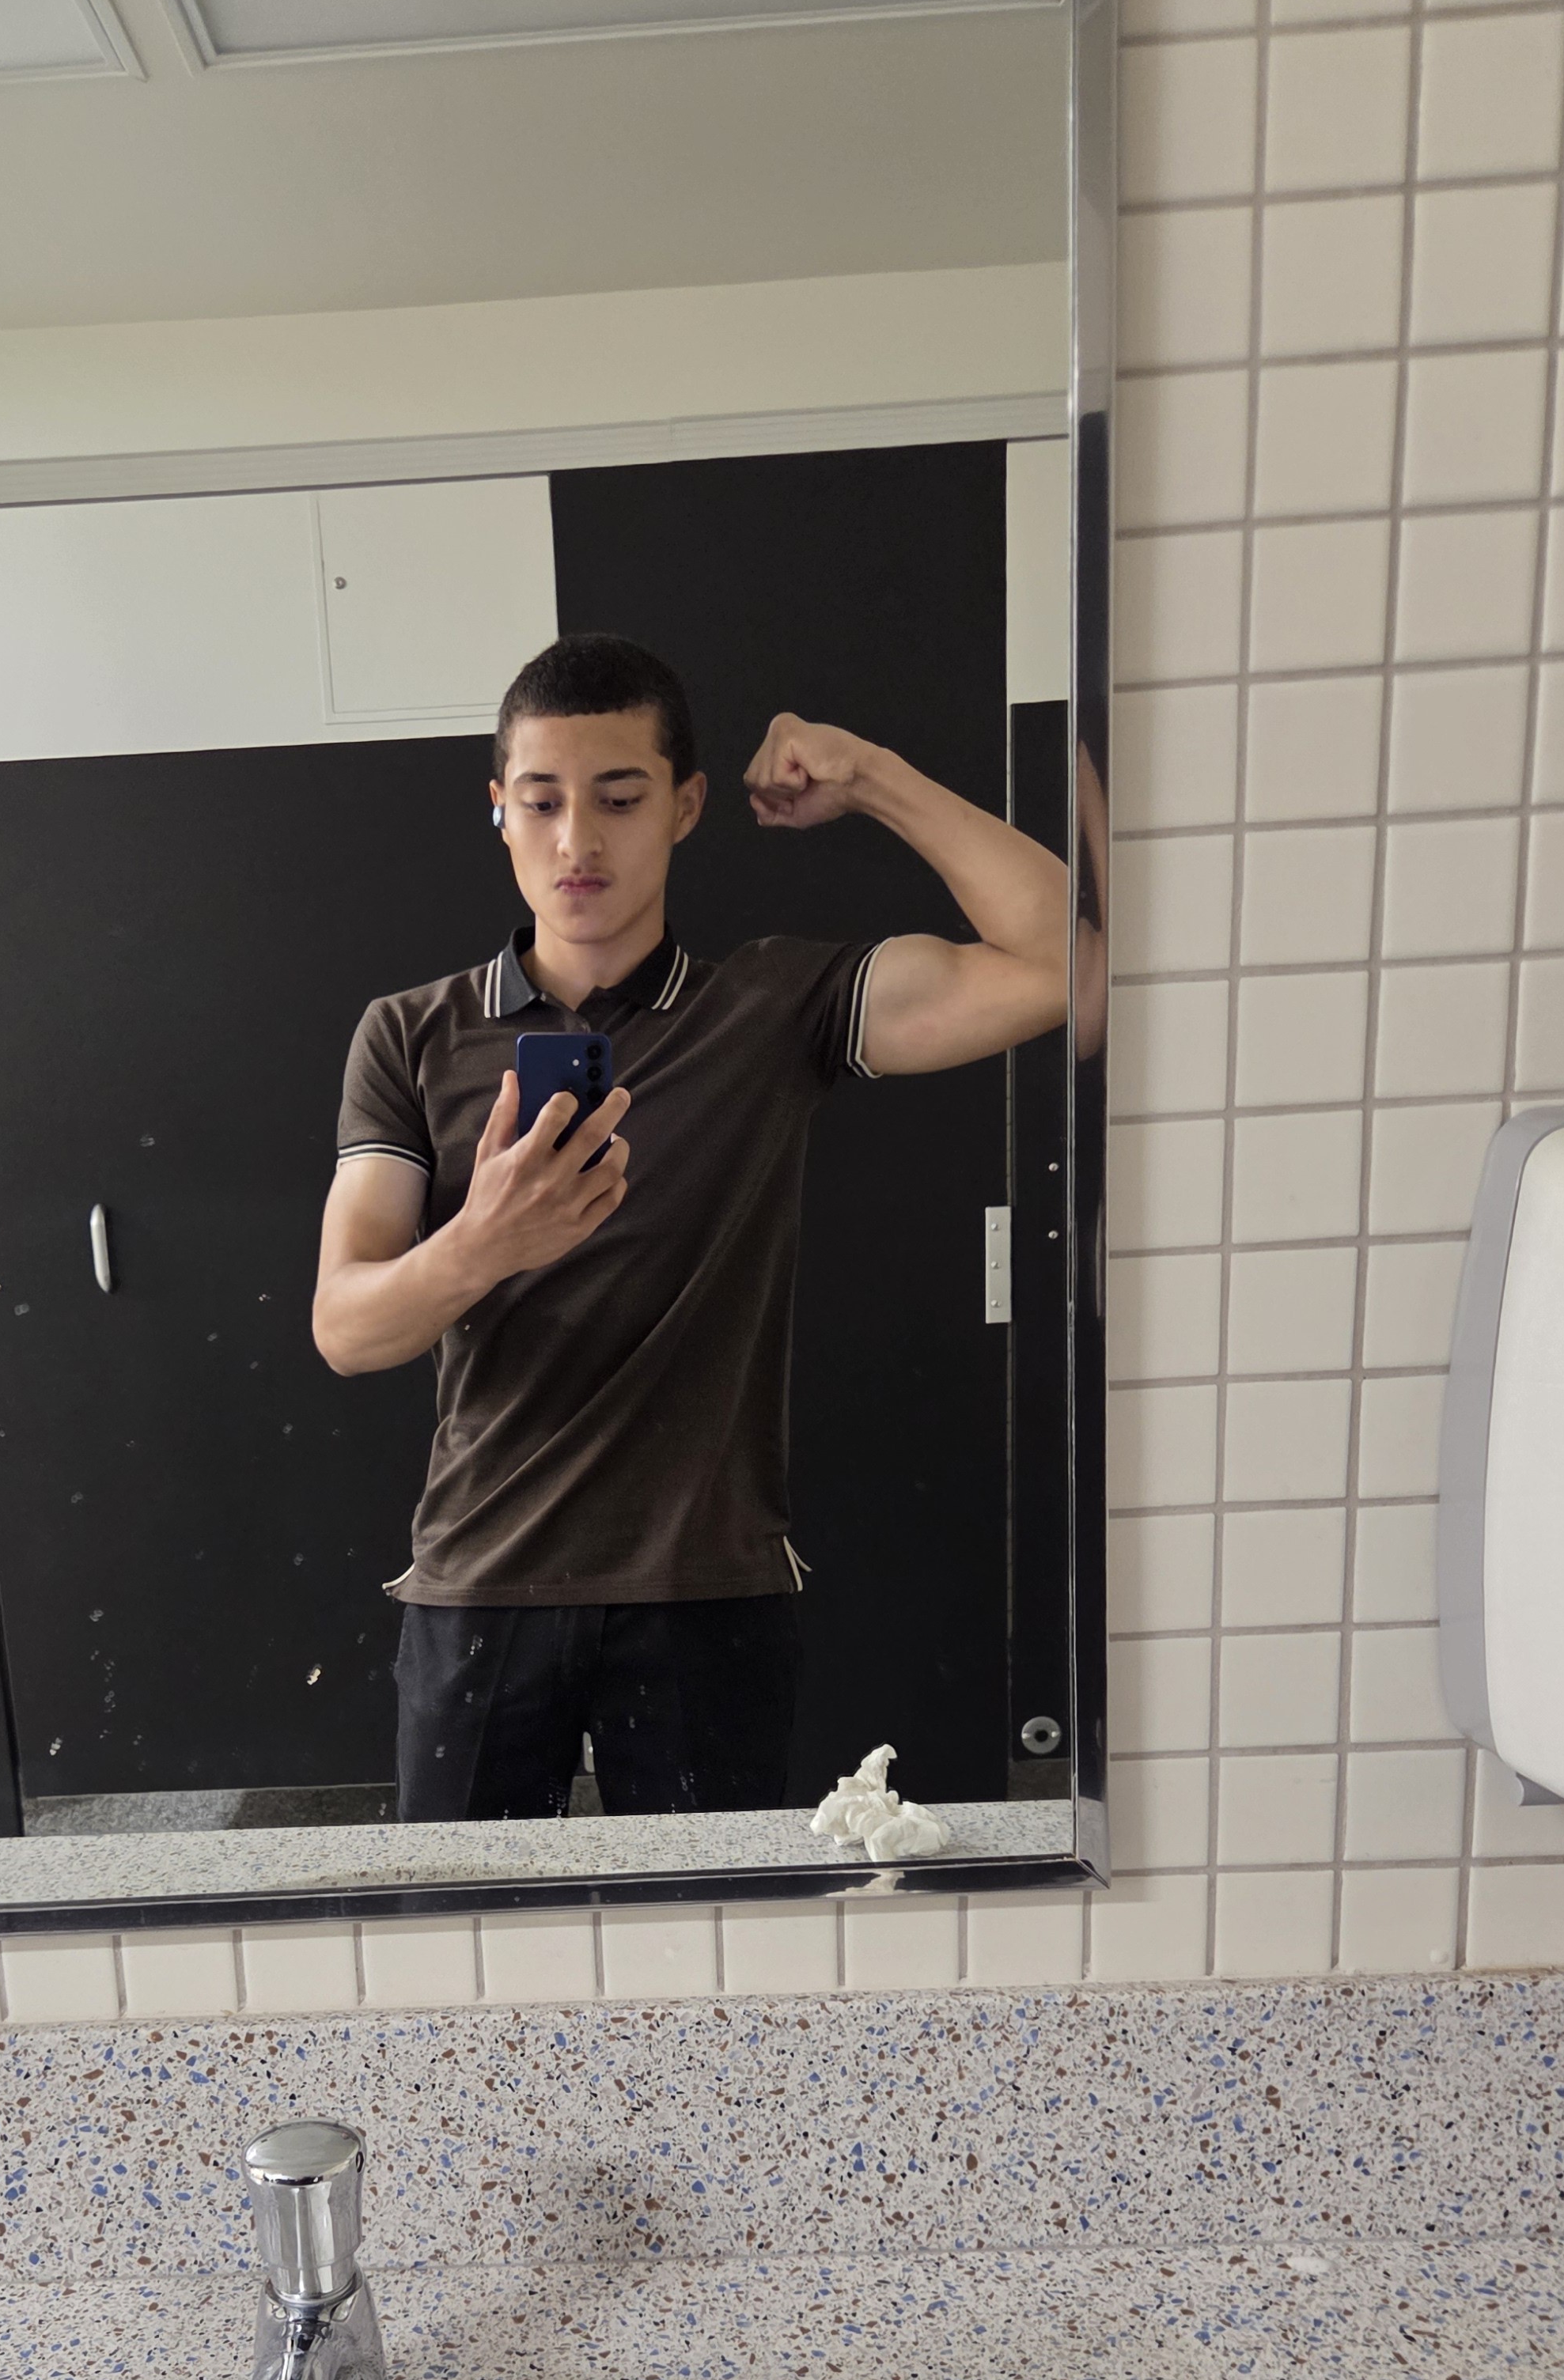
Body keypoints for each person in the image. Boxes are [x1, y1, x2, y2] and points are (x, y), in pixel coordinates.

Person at [312, 632, 1069, 1824]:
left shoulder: (769, 1008)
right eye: (543, 801)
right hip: (480, 1579)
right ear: (499, 809)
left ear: (686, 806)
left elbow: (1065, 959)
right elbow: (348, 1329)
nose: (578, 841)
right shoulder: (410, 1034)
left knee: (712, 1934)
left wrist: (870, 776)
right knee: (460, 1928)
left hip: (707, 1587)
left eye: (620, 799)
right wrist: (484, 1241)